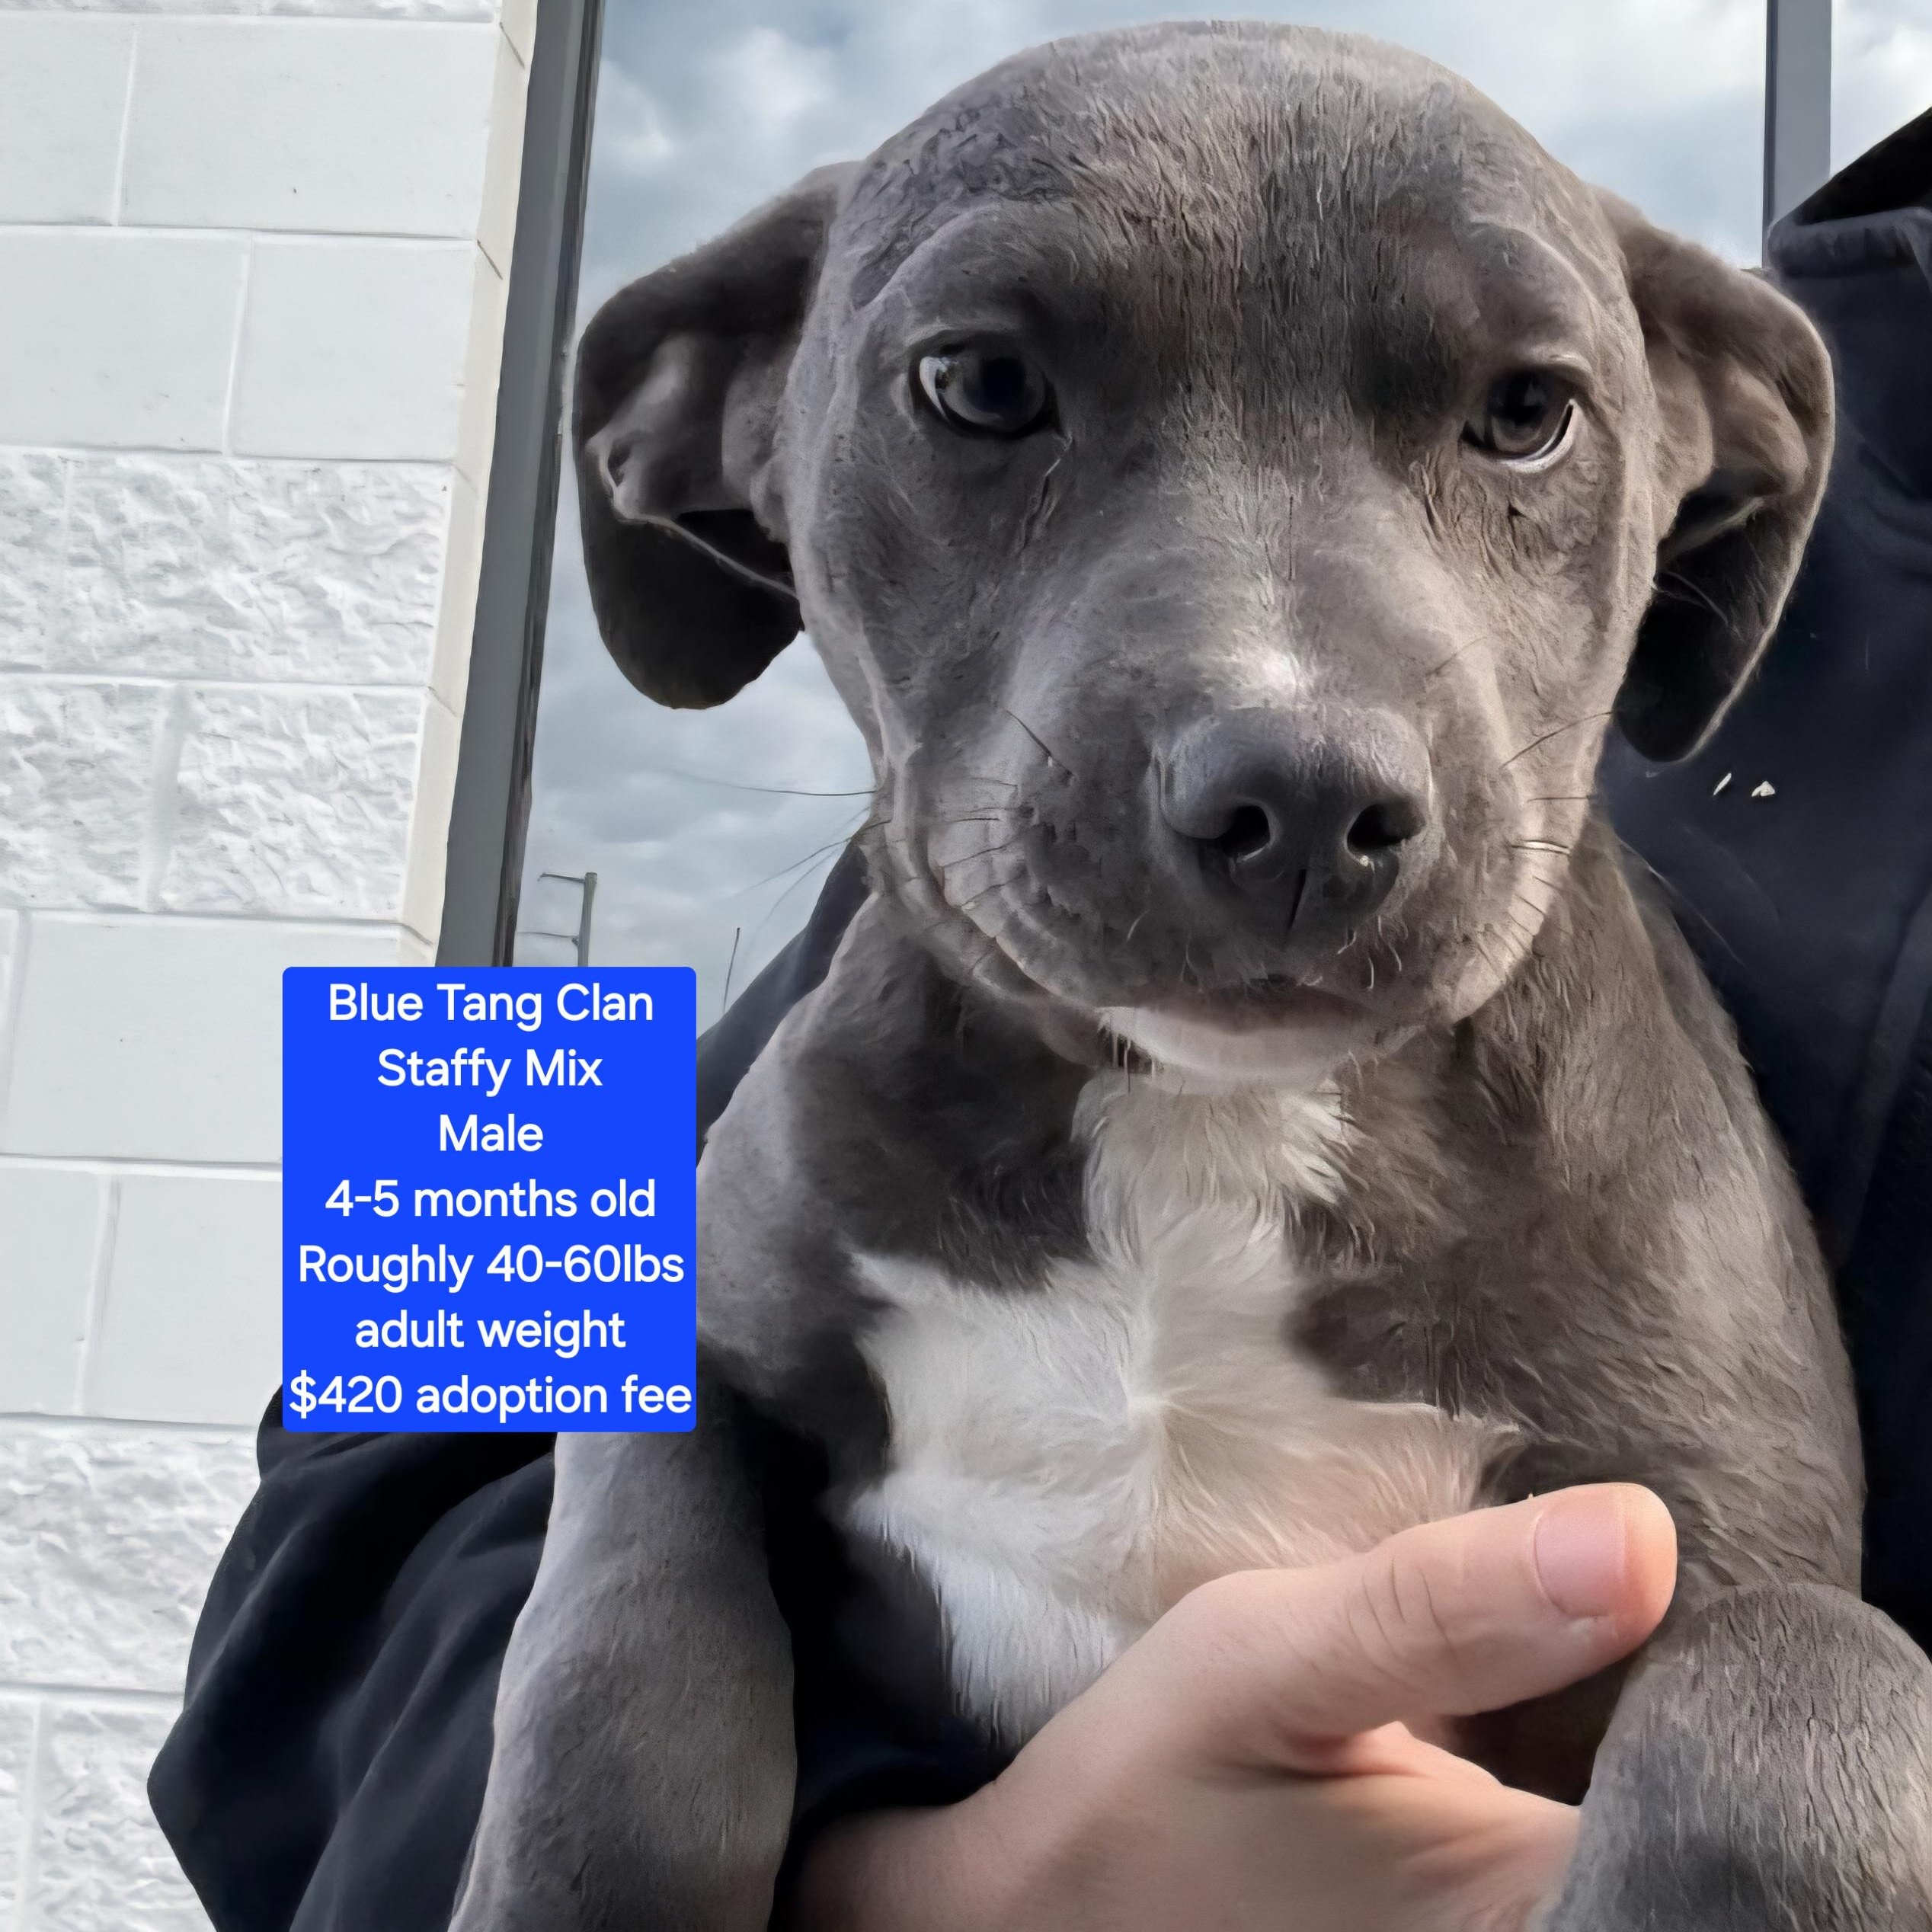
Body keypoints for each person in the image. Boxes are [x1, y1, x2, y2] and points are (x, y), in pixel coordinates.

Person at [149, 105, 1932, 1931]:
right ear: (726, 432)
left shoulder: (1657, 434)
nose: (1288, 728)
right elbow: (346, 1487)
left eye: (1509, 420)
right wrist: (884, 1880)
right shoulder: (868, 887)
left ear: (1692, 489)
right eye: (987, 392)